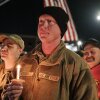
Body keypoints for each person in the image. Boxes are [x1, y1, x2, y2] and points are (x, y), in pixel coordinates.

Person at [4, 7, 98, 100]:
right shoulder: (24, 61)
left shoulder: (76, 65)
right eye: (41, 21)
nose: (43, 26)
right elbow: (7, 93)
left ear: (61, 29)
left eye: (49, 21)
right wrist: (11, 95)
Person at [0, 34, 25, 99]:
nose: (3, 48)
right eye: (2, 45)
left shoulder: (26, 74)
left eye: (9, 45)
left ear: (20, 50)